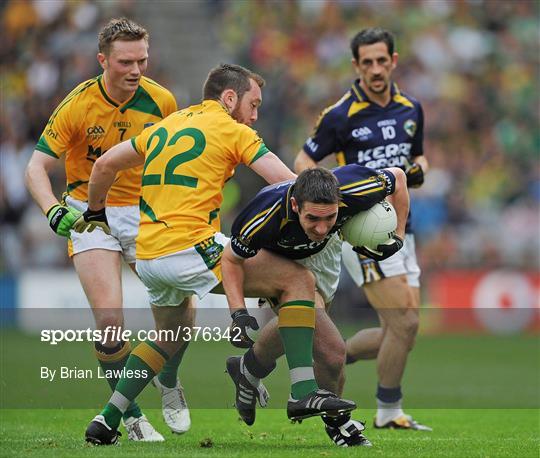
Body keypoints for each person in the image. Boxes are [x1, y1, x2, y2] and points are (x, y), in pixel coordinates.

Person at [75, 63, 356, 446]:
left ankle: (106, 421)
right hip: (193, 246)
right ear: (229, 98)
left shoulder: (167, 124)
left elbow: (105, 164)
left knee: (170, 336)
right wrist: (344, 203)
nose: (255, 116)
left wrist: (95, 211)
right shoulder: (230, 129)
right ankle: (302, 389)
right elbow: (291, 184)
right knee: (298, 280)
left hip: (150, 256)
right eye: (252, 104)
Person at [24, 17, 190, 441]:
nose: (136, 70)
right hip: (90, 212)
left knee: (182, 317)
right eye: (126, 62)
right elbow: (36, 168)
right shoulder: (77, 105)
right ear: (103, 60)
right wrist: (51, 209)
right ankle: (131, 417)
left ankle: (168, 380)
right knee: (111, 322)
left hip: (144, 213)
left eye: (142, 60)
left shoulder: (163, 101)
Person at [294, 28, 431, 431]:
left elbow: (418, 157)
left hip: (403, 227)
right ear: (356, 65)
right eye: (366, 62)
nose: (374, 69)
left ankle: (338, 355)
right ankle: (389, 411)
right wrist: (331, 199)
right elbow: (304, 161)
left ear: (394, 60)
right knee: (405, 323)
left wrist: (420, 170)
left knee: (401, 330)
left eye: (381, 60)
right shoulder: (340, 115)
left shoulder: (412, 109)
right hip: (363, 232)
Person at [223, 164, 409, 447]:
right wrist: (238, 312)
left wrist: (398, 236)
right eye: (312, 218)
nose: (321, 228)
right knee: (333, 353)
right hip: (279, 261)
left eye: (330, 217)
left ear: (339, 202)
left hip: (324, 257)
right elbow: (232, 260)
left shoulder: (356, 189)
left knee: (303, 329)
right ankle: (338, 424)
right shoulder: (263, 214)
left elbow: (398, 177)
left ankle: (248, 367)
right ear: (296, 205)